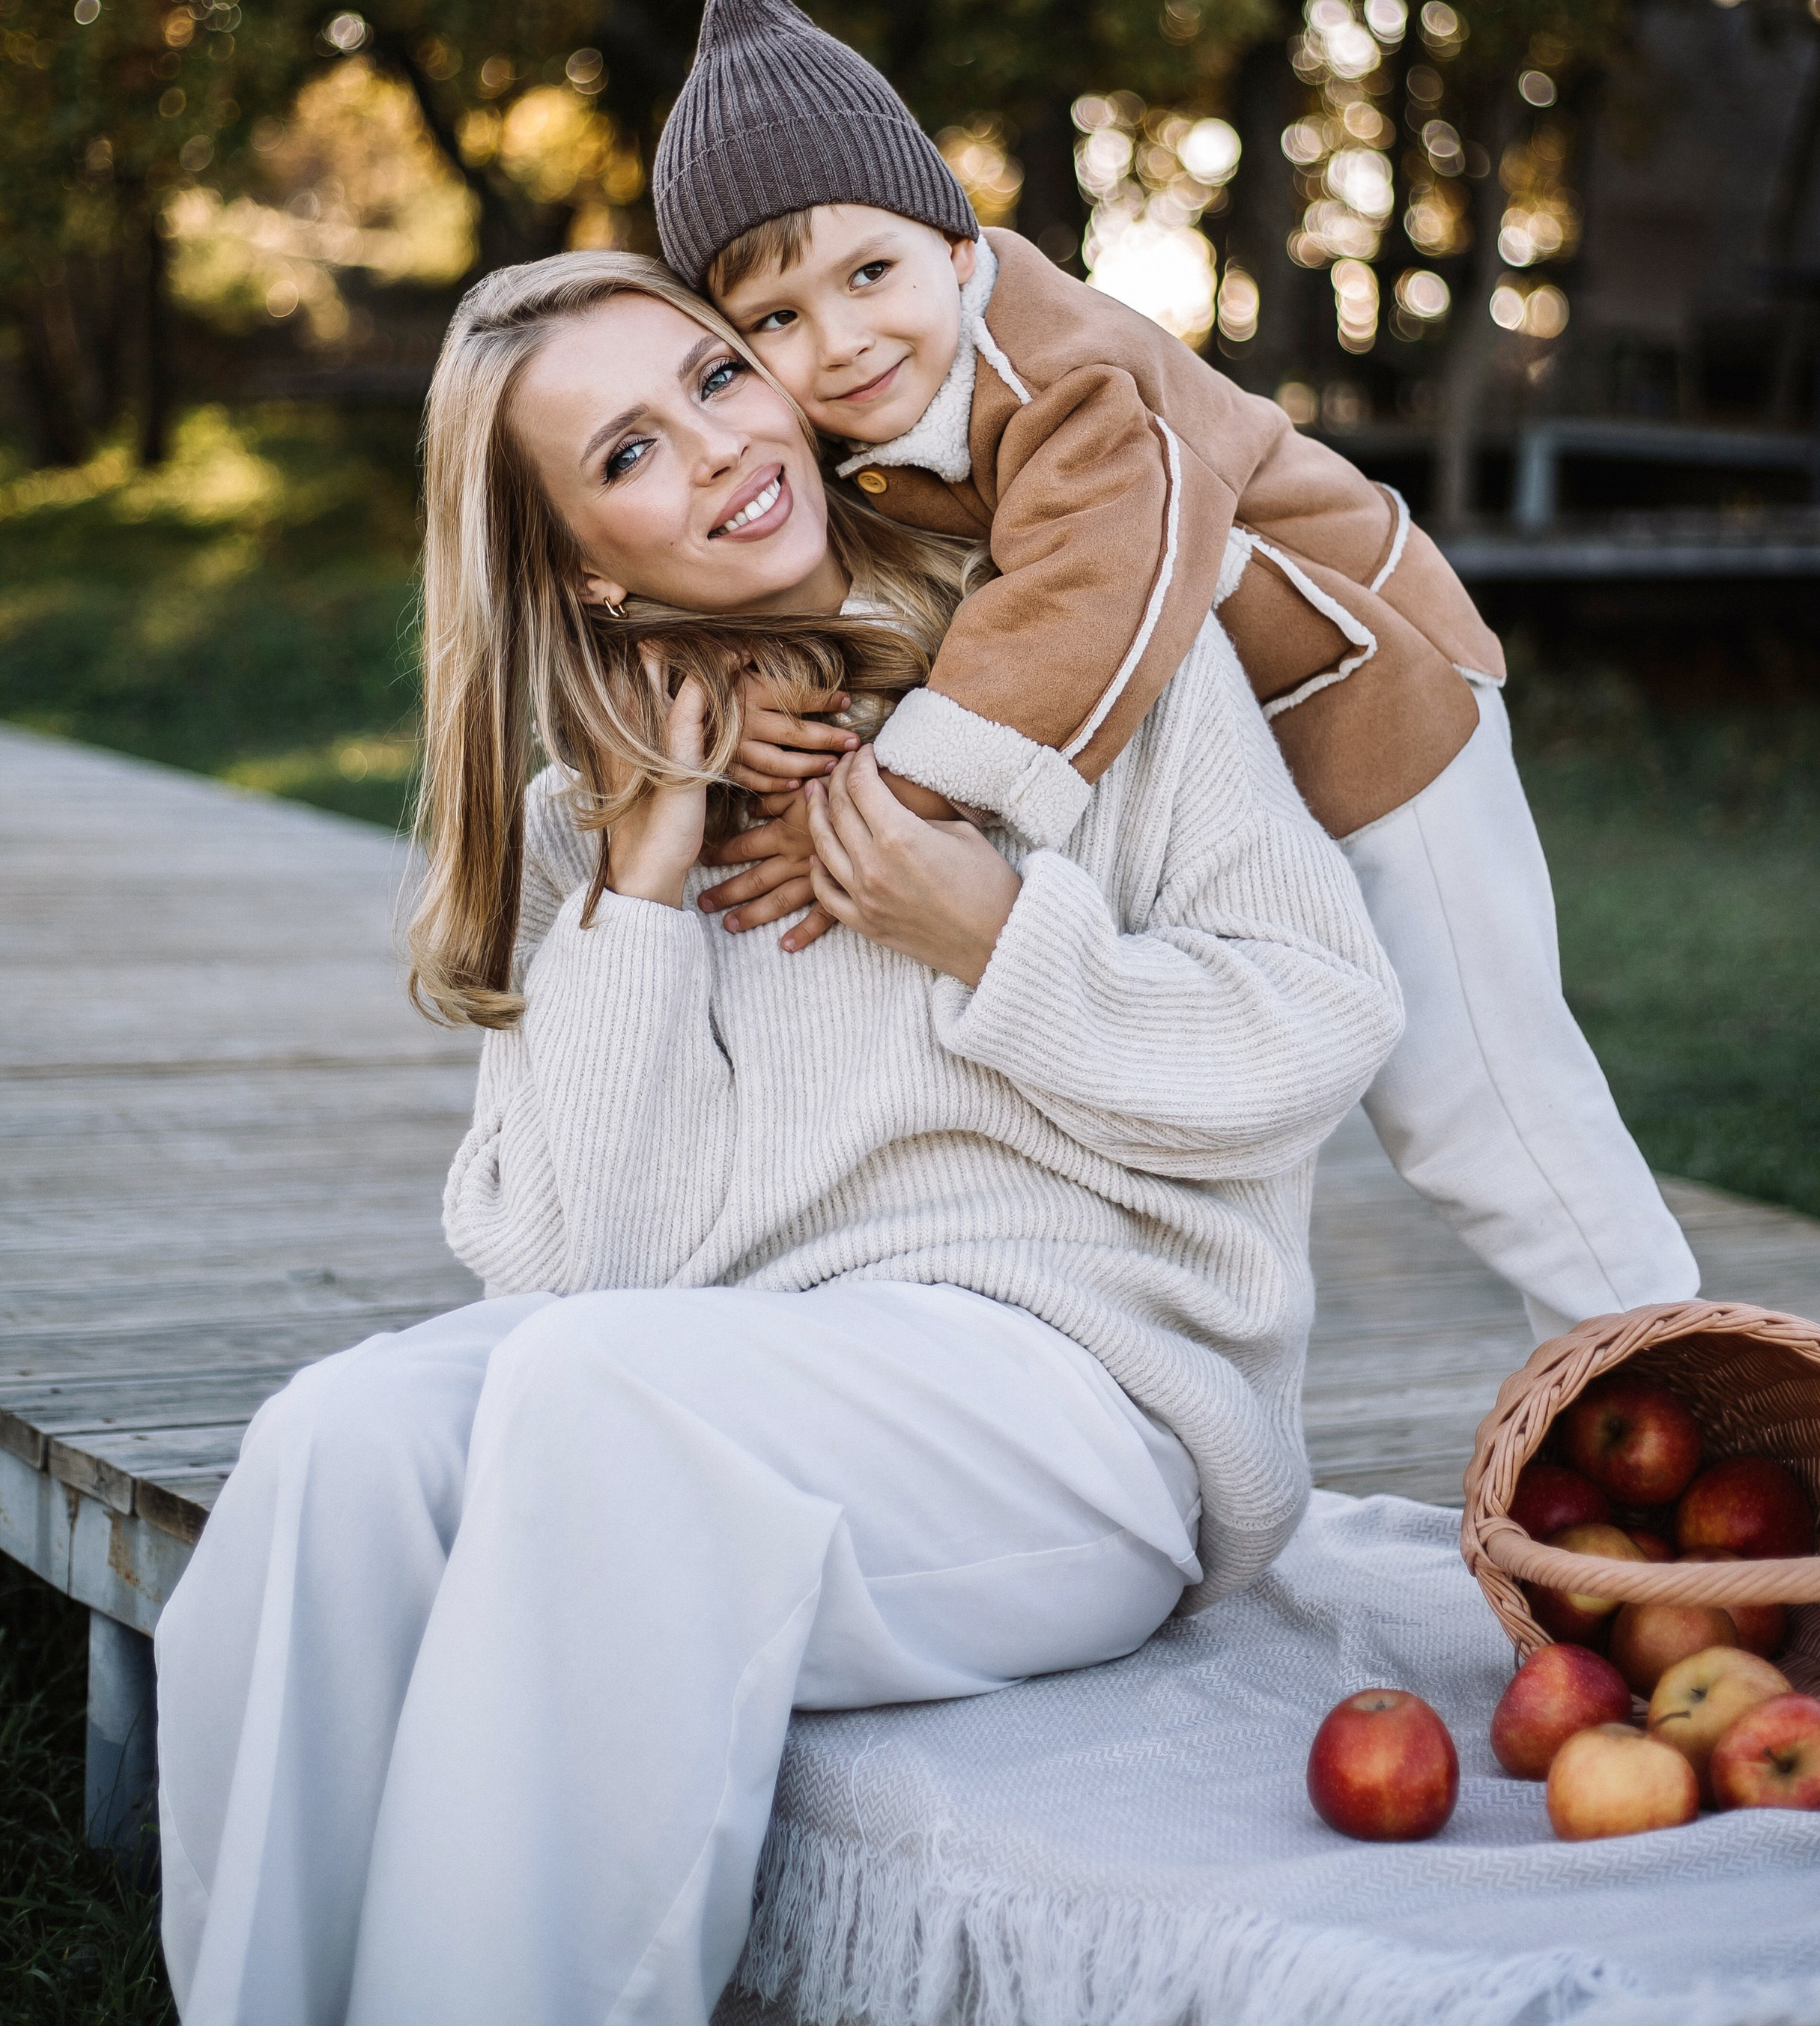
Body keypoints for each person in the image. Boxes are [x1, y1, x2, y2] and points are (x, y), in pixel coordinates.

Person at [155, 249, 1408, 2026]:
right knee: (340, 1438)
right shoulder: (590, 821)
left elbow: (1315, 1027)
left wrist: (990, 932)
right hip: (732, 1392)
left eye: (716, 379)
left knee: (596, 1407)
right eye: (626, 455)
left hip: (1076, 1412)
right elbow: (583, 1279)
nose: (721, 447)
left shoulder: (1091, 641)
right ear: (584, 563)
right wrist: (650, 867)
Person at [651, 0, 1699, 1341]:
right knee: (1249, 1042)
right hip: (1232, 742)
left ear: (960, 254)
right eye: (775, 320)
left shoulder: (1060, 375)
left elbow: (1102, 590)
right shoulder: (865, 417)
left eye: (869, 274)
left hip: (1378, 700)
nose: (840, 339)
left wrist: (893, 806)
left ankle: (1690, 1375)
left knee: (1476, 1094)